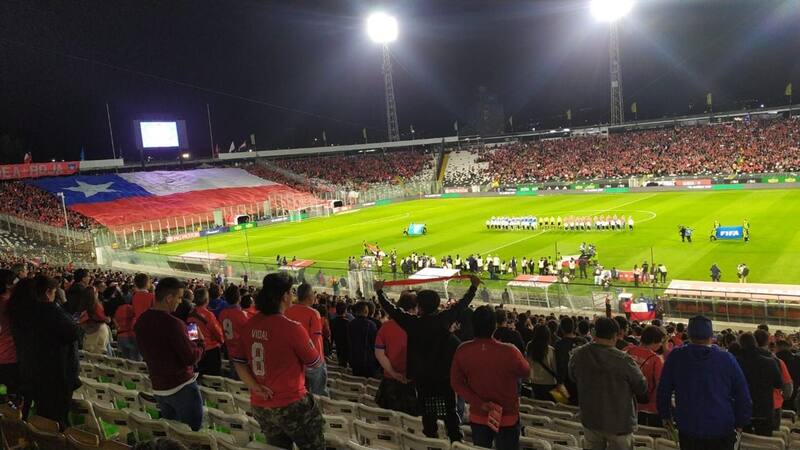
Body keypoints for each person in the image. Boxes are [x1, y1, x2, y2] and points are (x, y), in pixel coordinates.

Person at [375, 275, 480, 442]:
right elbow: (461, 306)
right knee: (450, 413)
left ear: (419, 306)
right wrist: (473, 287)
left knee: (428, 414)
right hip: (443, 377)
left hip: (422, 378)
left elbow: (393, 310)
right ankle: (455, 441)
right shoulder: (443, 320)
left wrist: (379, 292)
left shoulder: (413, 323)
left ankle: (431, 441)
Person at [230, 273, 325, 450]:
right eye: (291, 292)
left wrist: (255, 386)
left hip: (261, 405)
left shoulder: (248, 325)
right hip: (292, 404)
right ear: (284, 296)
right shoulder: (292, 328)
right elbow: (315, 363)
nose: (293, 296)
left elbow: (238, 362)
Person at [657, 315, 752, 450]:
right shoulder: (726, 359)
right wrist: (741, 421)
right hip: (721, 428)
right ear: (711, 336)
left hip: (689, 427)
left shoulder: (676, 356)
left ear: (689, 334)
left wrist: (665, 415)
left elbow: (663, 390)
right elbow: (743, 395)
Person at [450, 305, 530, 450]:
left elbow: (456, 383)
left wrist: (478, 402)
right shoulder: (510, 351)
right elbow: (526, 371)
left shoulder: (463, 350)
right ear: (494, 326)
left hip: (479, 415)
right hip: (507, 417)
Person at [9, 275, 83, 426]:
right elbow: (75, 333)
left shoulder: (23, 311)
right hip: (55, 375)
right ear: (49, 292)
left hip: (34, 370)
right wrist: (61, 304)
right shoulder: (49, 311)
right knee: (54, 419)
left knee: (44, 414)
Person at [135, 278, 205, 431]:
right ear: (168, 298)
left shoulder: (141, 321)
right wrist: (200, 343)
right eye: (179, 297)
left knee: (173, 432)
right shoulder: (174, 324)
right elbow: (191, 358)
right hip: (182, 387)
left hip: (159, 387)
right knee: (192, 435)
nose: (180, 302)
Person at [569, 318, 647, 450]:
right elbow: (641, 387)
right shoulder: (624, 360)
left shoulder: (578, 354)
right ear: (616, 335)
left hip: (591, 419)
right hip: (619, 423)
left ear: (594, 333)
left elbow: (572, 377)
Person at [374, 291, 418, 415]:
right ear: (414, 308)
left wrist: (393, 373)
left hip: (390, 381)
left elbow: (379, 354)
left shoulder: (386, 327)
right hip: (412, 383)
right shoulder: (419, 326)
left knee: (390, 419)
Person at [285, 283, 328, 396]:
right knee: (318, 395)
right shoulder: (314, 313)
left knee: (302, 393)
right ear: (309, 297)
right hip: (313, 361)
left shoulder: (287, 311)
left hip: (295, 360)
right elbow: (314, 340)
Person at [736, 332, 782, 436]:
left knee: (745, 441)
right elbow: (778, 384)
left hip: (742, 410)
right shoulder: (770, 362)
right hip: (764, 410)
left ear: (740, 345)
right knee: (764, 441)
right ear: (755, 343)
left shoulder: (735, 362)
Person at [623, 325, 665, 426]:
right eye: (660, 342)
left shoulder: (627, 350)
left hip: (626, 402)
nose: (660, 345)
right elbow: (661, 385)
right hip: (649, 408)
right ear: (654, 341)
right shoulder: (656, 360)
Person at [187, 287, 224, 376]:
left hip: (199, 350)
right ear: (206, 300)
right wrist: (221, 341)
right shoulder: (208, 315)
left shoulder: (190, 314)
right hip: (211, 352)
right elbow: (219, 334)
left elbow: (192, 336)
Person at [553, 317, 585, 406]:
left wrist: (559, 383)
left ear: (562, 329)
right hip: (582, 381)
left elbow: (560, 365)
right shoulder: (582, 341)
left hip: (565, 383)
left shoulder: (559, 344)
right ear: (574, 327)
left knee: (565, 408)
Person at [526, 325, 558, 402]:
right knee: (549, 405)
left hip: (534, 381)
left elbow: (527, 364)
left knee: (537, 403)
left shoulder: (530, 347)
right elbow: (554, 368)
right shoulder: (550, 350)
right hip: (549, 382)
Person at [347, 301, 379, 377]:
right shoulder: (371, 325)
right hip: (368, 361)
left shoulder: (350, 324)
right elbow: (375, 343)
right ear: (366, 311)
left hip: (355, 360)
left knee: (357, 382)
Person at [78, 286, 112, 355]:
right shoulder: (96, 305)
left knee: (88, 354)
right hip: (99, 330)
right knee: (98, 354)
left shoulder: (82, 305)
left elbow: (78, 319)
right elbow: (105, 318)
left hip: (88, 331)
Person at [776, 340, 800, 412]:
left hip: (777, 399)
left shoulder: (774, 360)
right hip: (793, 397)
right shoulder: (797, 359)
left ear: (778, 347)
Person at [114, 293, 140, 361]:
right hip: (130, 336)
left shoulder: (117, 310)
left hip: (120, 336)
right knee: (135, 361)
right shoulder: (130, 308)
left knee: (125, 362)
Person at [330, 302, 351, 368]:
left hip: (337, 341)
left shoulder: (333, 321)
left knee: (339, 352)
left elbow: (331, 334)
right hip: (346, 342)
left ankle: (341, 363)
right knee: (345, 355)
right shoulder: (347, 322)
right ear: (345, 311)